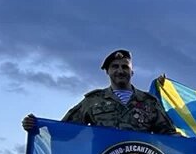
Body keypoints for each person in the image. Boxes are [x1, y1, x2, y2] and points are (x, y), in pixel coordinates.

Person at [21, 49, 176, 135]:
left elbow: (169, 135)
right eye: (115, 67)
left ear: (132, 72)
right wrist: (36, 126)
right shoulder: (93, 101)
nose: (120, 70)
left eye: (125, 67)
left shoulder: (149, 102)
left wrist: (195, 147)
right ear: (107, 72)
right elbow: (65, 130)